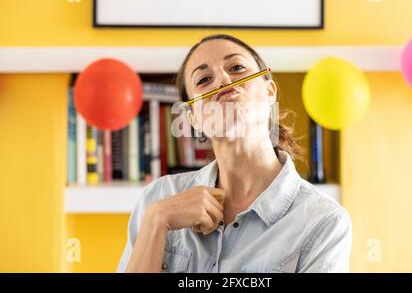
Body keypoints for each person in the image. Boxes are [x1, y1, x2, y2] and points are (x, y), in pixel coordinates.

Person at [117, 34, 352, 273]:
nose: (223, 80)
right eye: (204, 79)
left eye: (237, 67)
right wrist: (157, 220)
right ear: (193, 118)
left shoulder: (324, 222)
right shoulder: (158, 199)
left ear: (269, 91)